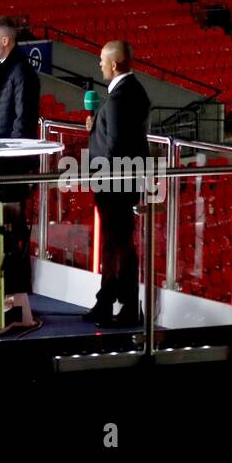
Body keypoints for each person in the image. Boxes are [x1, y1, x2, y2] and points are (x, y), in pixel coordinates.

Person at [84, 40, 150, 328]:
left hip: (114, 184)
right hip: (126, 182)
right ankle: (107, 302)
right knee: (116, 245)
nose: (99, 64)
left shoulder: (119, 99)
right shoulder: (136, 92)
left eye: (102, 60)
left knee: (119, 245)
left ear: (114, 64)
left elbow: (116, 146)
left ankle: (125, 306)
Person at [0, 16, 40, 295]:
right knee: (2, 227)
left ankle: (16, 290)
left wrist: (9, 159)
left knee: (13, 230)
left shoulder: (22, 72)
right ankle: (2, 287)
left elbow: (22, 124)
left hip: (11, 168)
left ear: (5, 40)